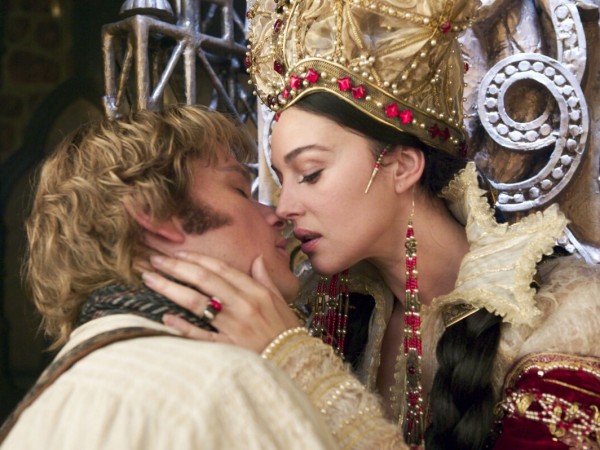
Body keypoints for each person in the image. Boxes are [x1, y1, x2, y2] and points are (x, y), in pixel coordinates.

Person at [142, 0, 600, 449]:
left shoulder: (566, 316)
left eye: (311, 173)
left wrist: (299, 364)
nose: (285, 207)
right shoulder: (329, 316)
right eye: (282, 179)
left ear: (402, 167)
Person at [0, 105, 339, 450]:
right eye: (239, 190)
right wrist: (301, 364)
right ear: (153, 213)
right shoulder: (225, 385)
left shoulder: (37, 414)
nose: (277, 214)